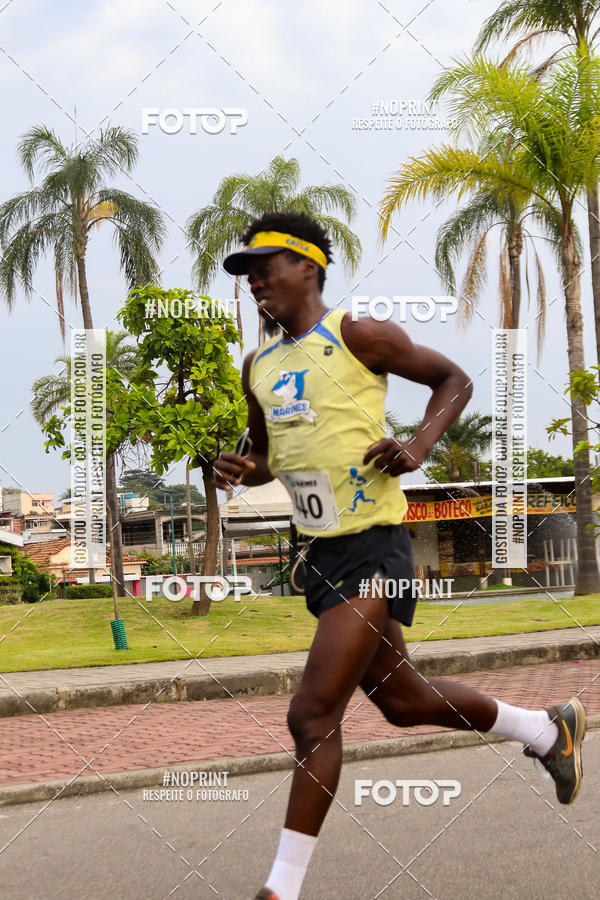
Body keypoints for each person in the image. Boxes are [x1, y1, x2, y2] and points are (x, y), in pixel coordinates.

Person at [213, 211, 587, 900]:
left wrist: (416, 446)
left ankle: (280, 890)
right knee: (405, 702)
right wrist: (244, 469)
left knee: (313, 713)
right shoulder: (258, 365)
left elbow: (453, 381)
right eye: (248, 273)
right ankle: (544, 729)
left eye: (268, 267)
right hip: (320, 554)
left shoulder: (358, 335)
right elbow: (269, 456)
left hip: (375, 548)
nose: (257, 281)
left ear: (310, 269)